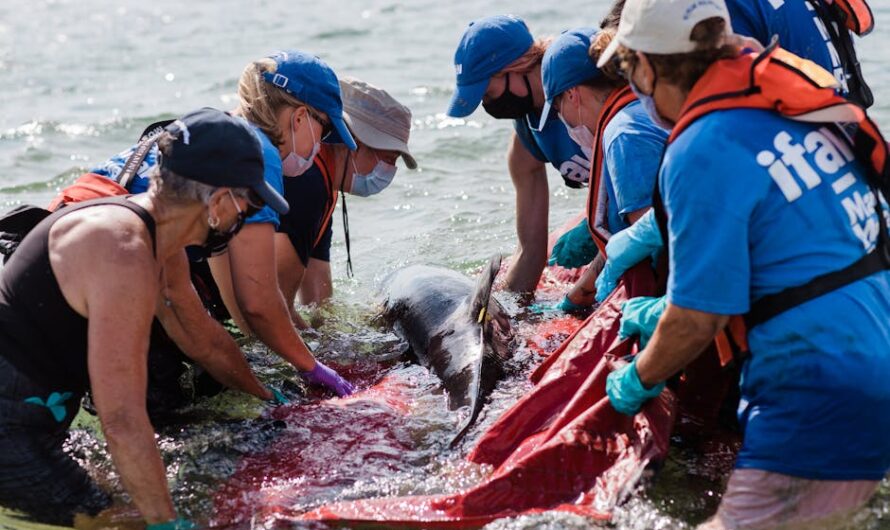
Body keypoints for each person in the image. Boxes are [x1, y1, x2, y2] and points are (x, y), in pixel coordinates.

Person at [598, 0, 890, 527]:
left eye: (626, 68)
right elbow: (810, 257)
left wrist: (638, 378)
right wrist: (667, 304)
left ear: (648, 64)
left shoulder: (702, 147)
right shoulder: (792, 101)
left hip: (819, 383)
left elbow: (696, 322)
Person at [0, 108, 287, 528]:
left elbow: (199, 336)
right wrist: (164, 523)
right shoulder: (124, 253)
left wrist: (267, 398)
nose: (247, 215)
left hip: (40, 418)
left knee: (165, 485)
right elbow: (122, 419)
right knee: (135, 517)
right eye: (252, 202)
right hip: (11, 432)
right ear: (221, 200)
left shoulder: (153, 235)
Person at [55, 50, 357, 403]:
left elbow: (211, 307)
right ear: (301, 117)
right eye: (325, 129)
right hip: (105, 268)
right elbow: (257, 301)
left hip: (62, 249)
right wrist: (312, 366)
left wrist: (259, 377)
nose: (321, 145)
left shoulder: (210, 133)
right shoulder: (254, 157)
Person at [446, 15, 592, 293]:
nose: (486, 105)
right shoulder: (526, 140)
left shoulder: (583, 81)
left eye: (486, 93)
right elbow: (530, 251)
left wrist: (601, 225)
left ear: (515, 66)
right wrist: (512, 312)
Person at [536, 26, 667, 312]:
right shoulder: (644, 106)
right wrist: (583, 289)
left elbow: (656, 241)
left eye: (557, 109)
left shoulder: (623, 134)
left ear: (572, 95)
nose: (563, 120)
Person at [276, 76, 417, 313]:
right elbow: (274, 306)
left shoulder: (326, 187)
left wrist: (330, 336)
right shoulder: (307, 183)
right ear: (352, 141)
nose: (390, 170)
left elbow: (317, 295)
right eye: (389, 158)